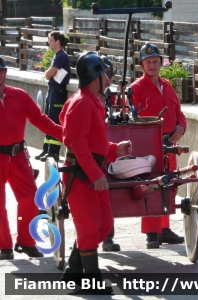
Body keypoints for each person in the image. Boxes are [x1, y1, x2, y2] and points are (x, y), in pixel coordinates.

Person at [59, 51, 131, 294]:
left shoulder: (91, 101)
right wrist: (96, 175)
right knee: (90, 228)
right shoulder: (82, 103)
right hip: (81, 175)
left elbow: (93, 143)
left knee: (103, 225)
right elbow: (78, 145)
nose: (108, 80)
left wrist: (113, 150)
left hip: (91, 171)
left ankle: (73, 271)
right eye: (104, 75)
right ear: (93, 77)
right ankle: (91, 281)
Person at [0, 56, 63, 260]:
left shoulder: (19, 96)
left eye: (0, 71)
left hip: (18, 156)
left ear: (5, 73)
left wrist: (64, 134)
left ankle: (26, 242)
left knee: (30, 198)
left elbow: (40, 120)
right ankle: (5, 247)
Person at [130, 42, 186, 249]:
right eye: (148, 62)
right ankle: (151, 233)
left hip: (169, 144)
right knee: (152, 186)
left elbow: (179, 112)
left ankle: (164, 228)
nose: (152, 65)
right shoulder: (135, 89)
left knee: (169, 185)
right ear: (142, 65)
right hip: (148, 146)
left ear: (161, 63)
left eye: (155, 61)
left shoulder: (168, 85)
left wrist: (181, 128)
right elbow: (132, 119)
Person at [35, 31, 71, 162]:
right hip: (53, 91)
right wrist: (50, 73)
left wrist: (49, 73)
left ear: (58, 42)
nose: (48, 42)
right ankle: (46, 149)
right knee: (48, 120)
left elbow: (48, 75)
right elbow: (50, 74)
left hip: (58, 92)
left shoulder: (61, 56)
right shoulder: (57, 56)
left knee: (55, 121)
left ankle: (53, 152)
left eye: (51, 39)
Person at [100, 55, 121, 252]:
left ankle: (107, 237)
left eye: (109, 75)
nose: (107, 79)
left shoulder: (114, 97)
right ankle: (107, 237)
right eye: (104, 74)